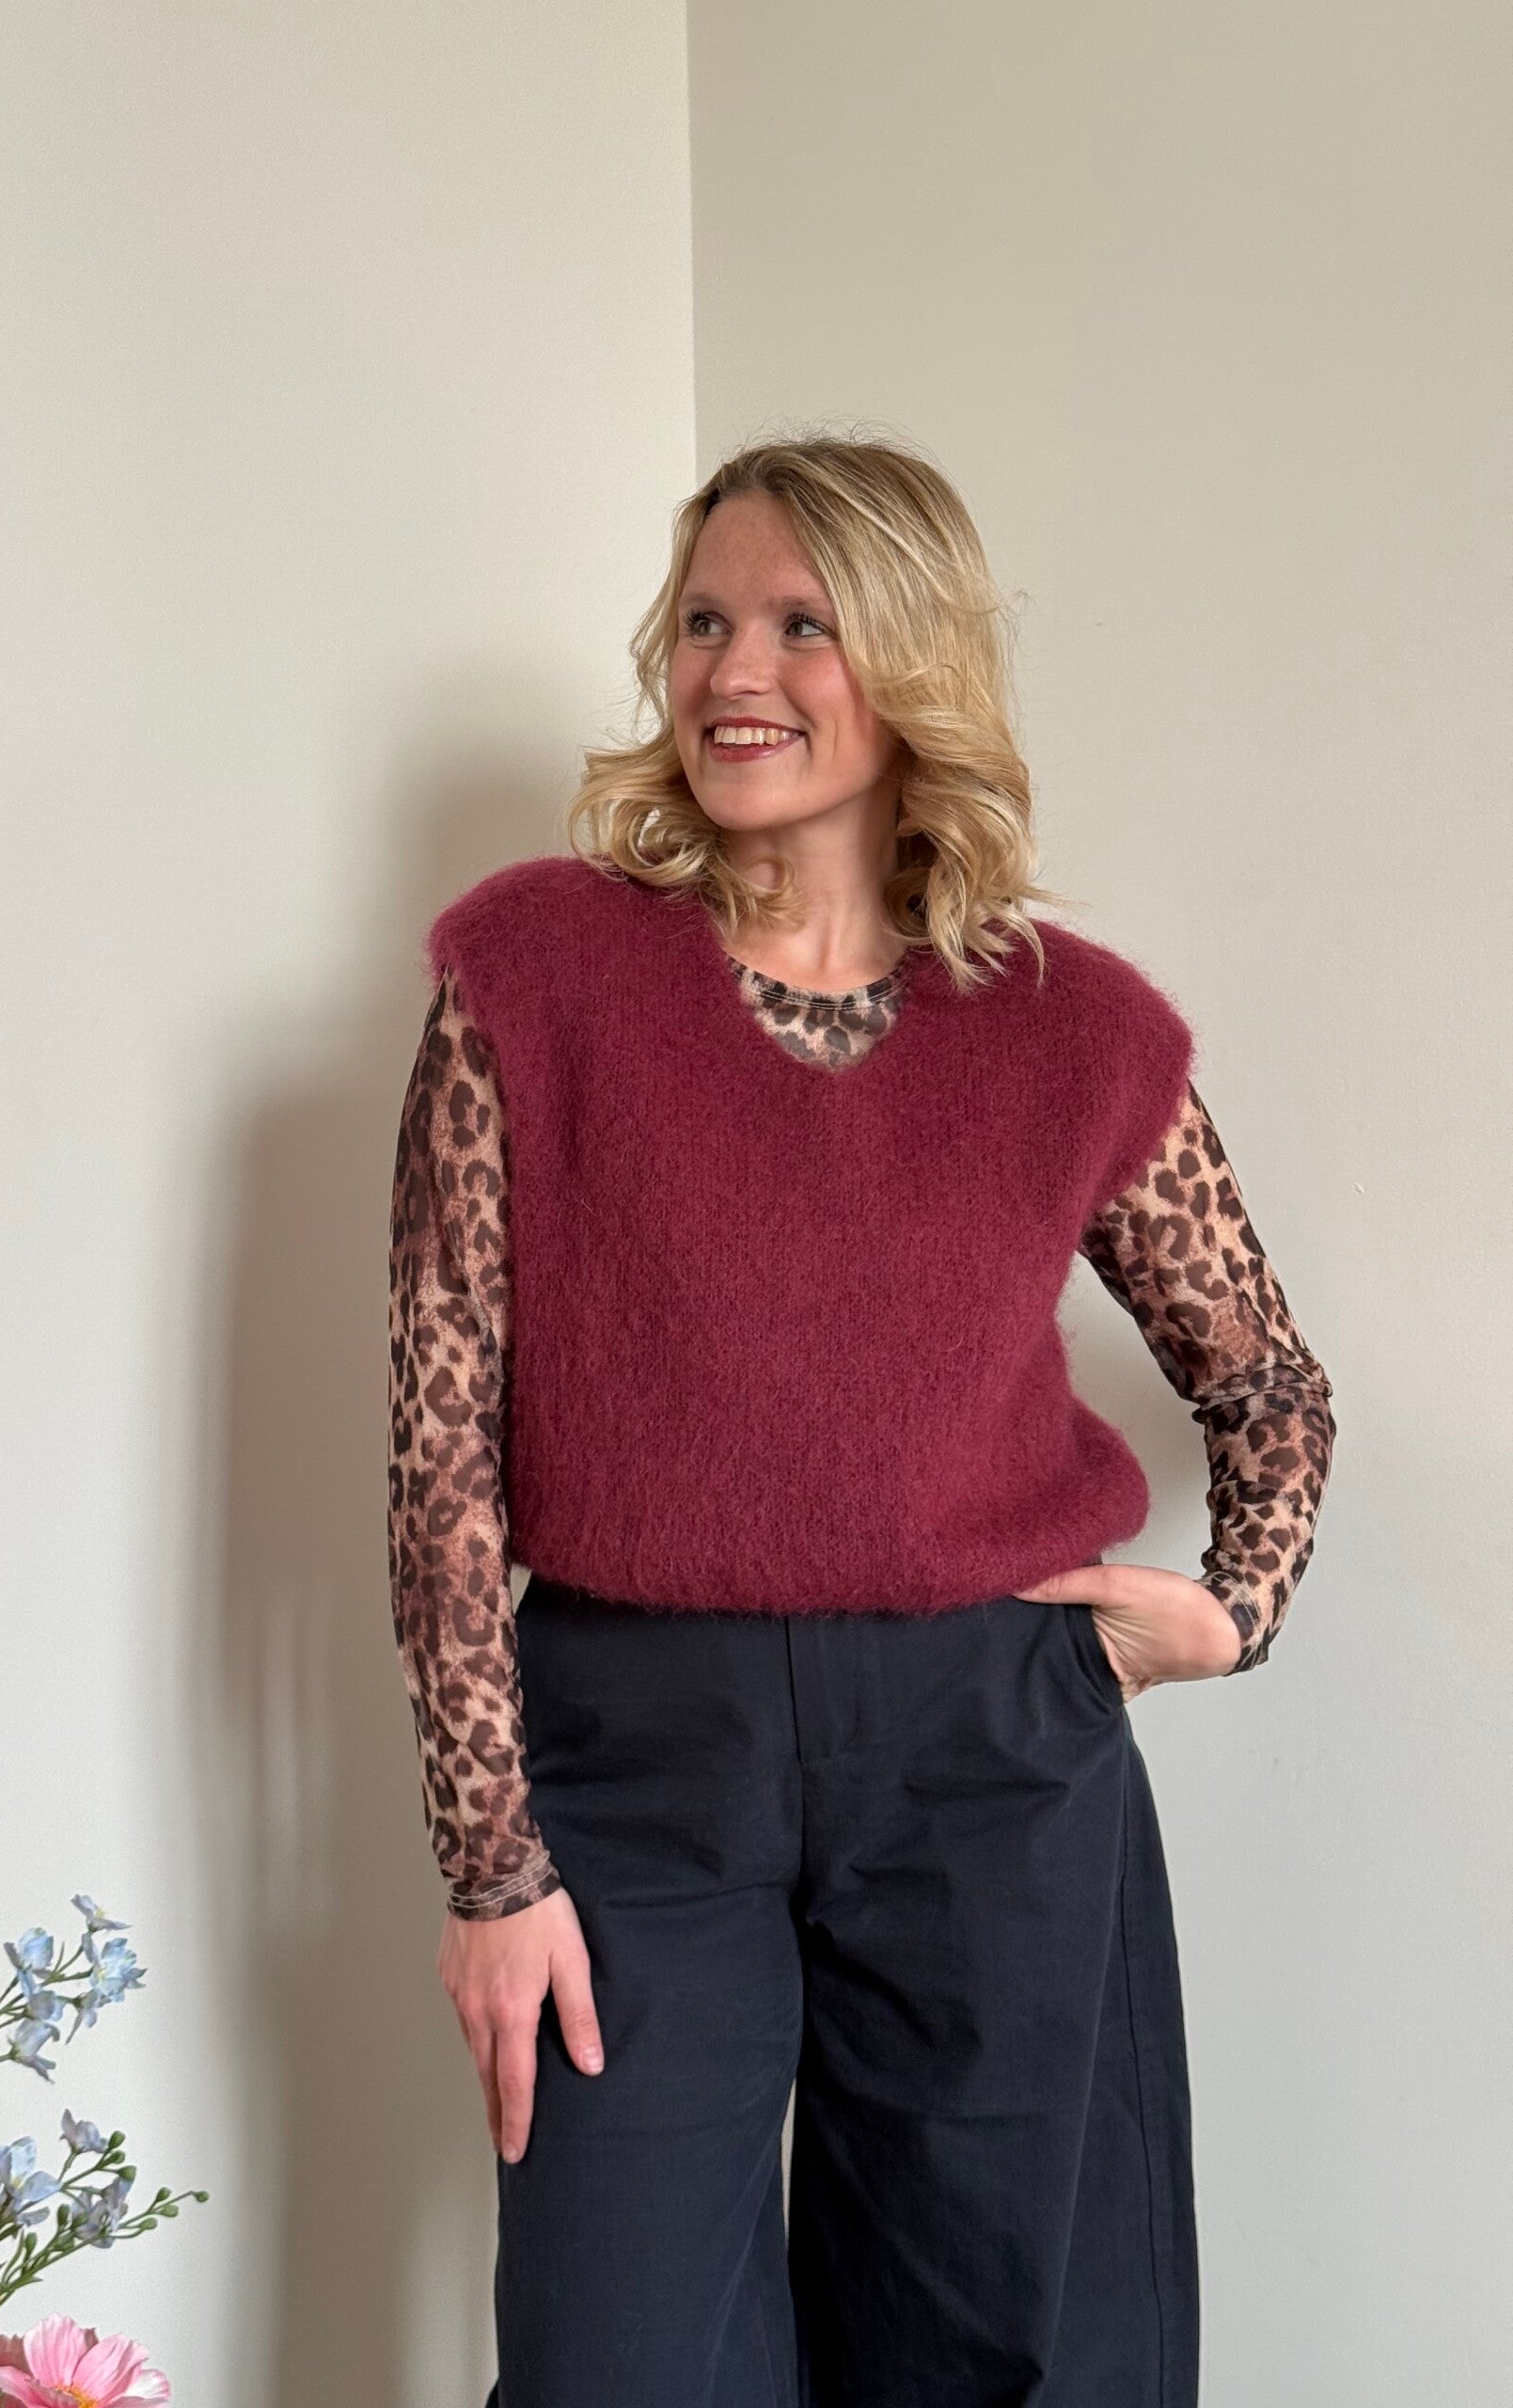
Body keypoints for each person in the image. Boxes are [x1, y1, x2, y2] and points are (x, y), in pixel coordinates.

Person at [386, 434, 1334, 2407]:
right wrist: (491, 1869)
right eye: (705, 621)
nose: (736, 669)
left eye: (802, 623)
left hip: (993, 1750)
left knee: (1019, 2351)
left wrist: (1231, 1606)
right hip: (636, 1759)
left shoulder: (1072, 1024)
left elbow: (1266, 1380)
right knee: (617, 2361)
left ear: (910, 661)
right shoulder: (534, 974)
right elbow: (440, 1448)